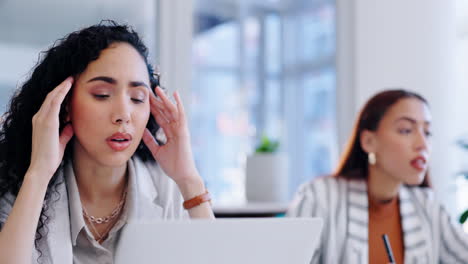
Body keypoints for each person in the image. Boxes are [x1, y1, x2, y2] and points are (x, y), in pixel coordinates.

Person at [0, 20, 214, 264]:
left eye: (137, 97)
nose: (123, 113)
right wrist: (38, 174)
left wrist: (189, 179)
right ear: (65, 104)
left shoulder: (168, 189)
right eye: (102, 95)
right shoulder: (23, 186)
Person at [287, 89, 468, 263]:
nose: (423, 144)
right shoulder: (318, 197)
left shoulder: (426, 206)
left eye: (427, 133)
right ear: (368, 142)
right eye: (406, 130)